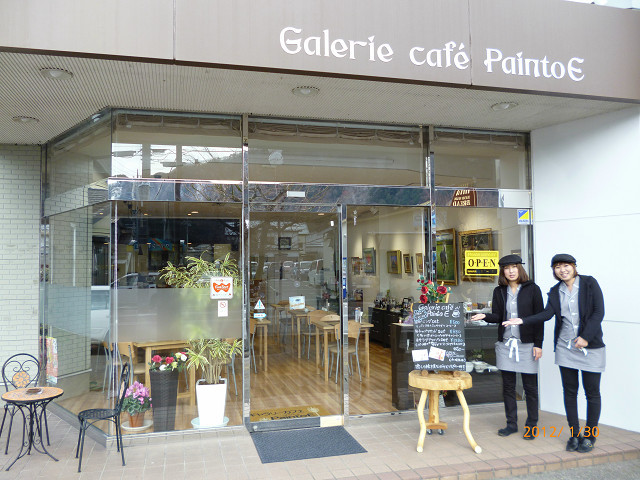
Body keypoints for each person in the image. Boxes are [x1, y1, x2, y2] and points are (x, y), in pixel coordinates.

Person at [502, 254, 605, 453]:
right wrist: (522, 320)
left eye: (566, 265)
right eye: (557, 267)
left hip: (591, 347)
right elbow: (547, 314)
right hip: (566, 348)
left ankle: (590, 436)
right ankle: (574, 434)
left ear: (574, 266)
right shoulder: (556, 291)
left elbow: (598, 312)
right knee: (570, 392)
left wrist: (586, 336)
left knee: (592, 393)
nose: (562, 270)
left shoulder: (590, 284)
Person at [471, 254, 544, 439]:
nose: (511, 271)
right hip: (506, 344)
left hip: (527, 344)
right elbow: (498, 316)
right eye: (506, 268)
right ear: (502, 271)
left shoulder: (532, 289)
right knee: (508, 387)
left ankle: (532, 425)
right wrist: (485, 316)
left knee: (530, 387)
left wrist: (538, 344)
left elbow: (539, 319)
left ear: (520, 268)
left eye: (514, 267)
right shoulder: (499, 291)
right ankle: (511, 423)